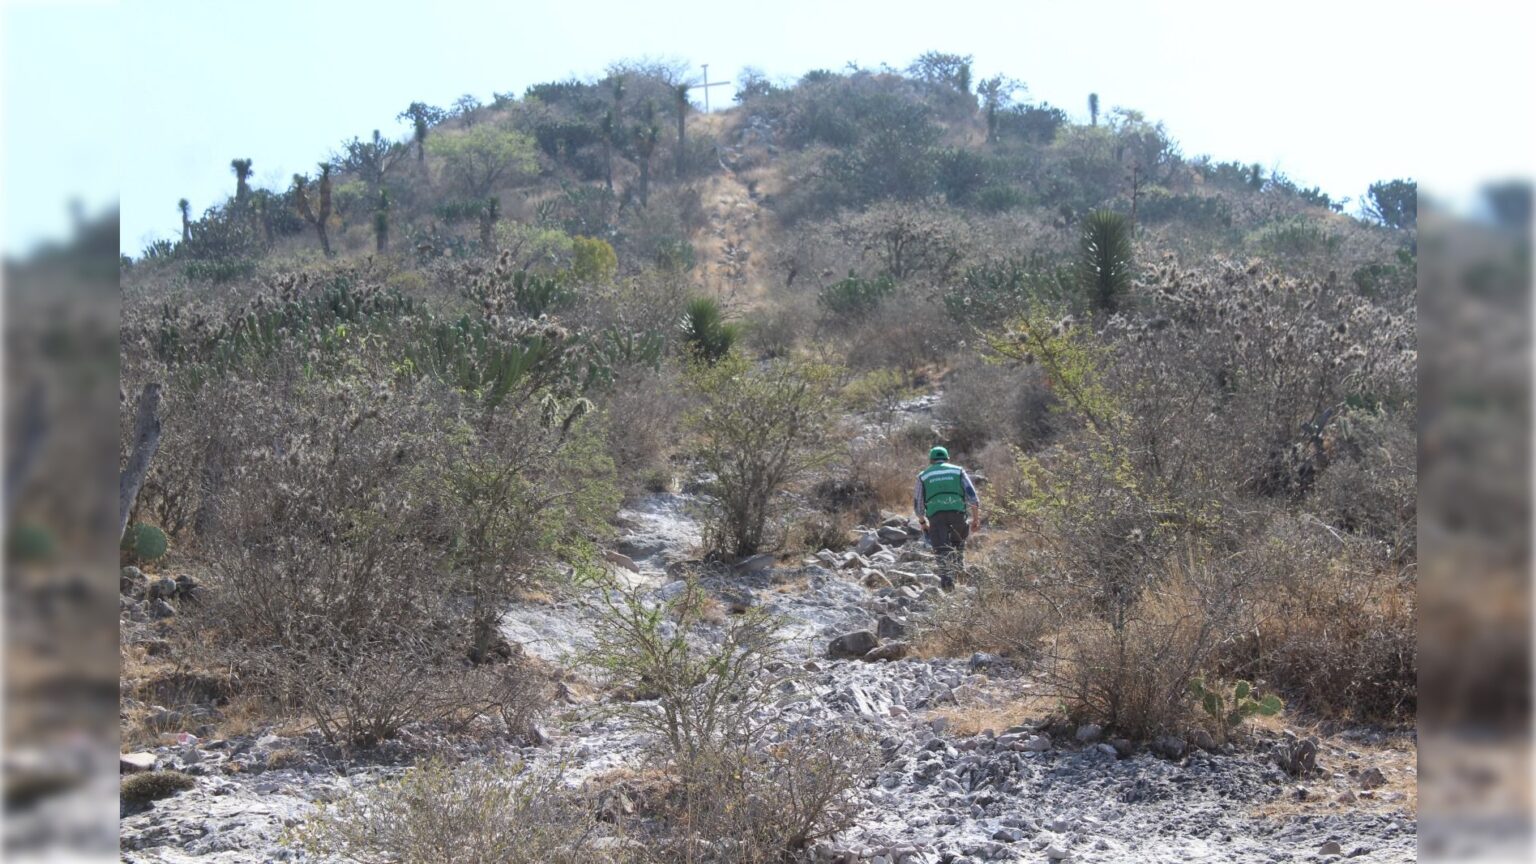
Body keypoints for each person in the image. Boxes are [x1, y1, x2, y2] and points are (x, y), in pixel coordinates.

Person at [914, 446, 981, 590]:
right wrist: (976, 519)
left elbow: (918, 503)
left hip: (936, 517)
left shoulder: (923, 476)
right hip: (958, 514)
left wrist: (923, 522)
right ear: (948, 459)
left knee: (941, 550)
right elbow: (972, 497)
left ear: (931, 460)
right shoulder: (958, 471)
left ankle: (947, 583)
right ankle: (960, 572)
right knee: (958, 544)